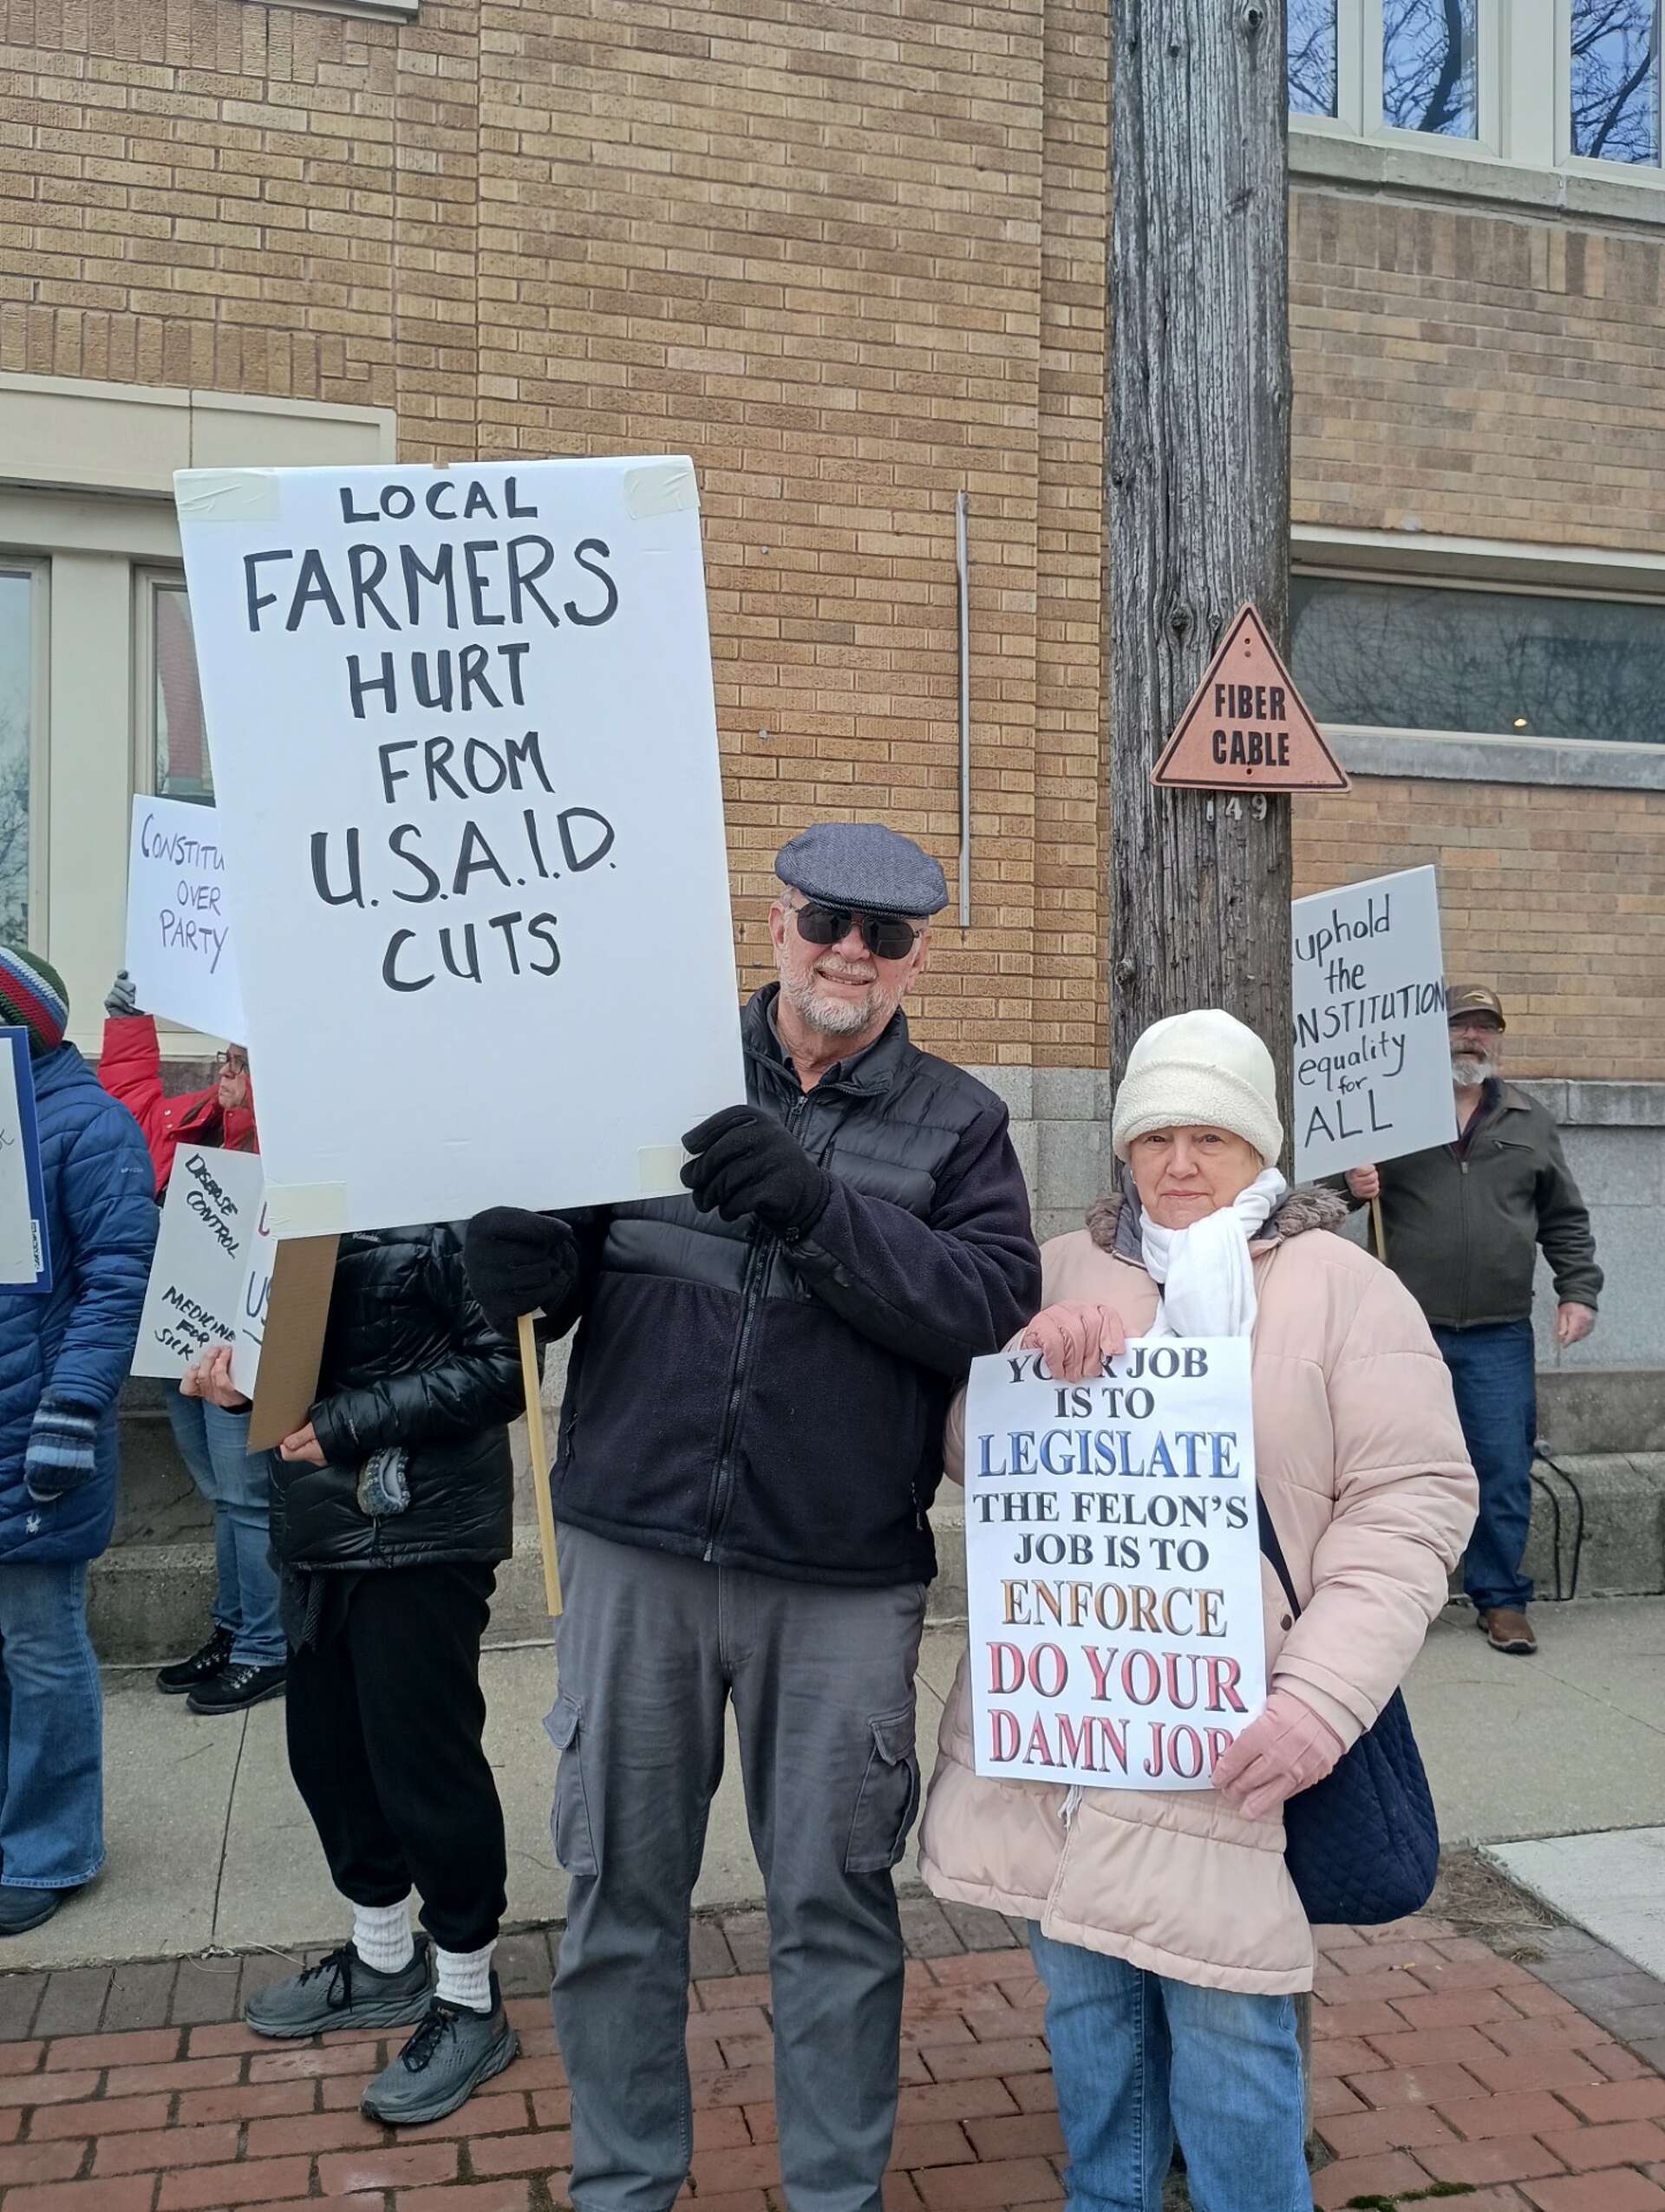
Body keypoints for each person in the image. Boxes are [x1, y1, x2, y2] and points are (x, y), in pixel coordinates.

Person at [463, 822, 1041, 2212]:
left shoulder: (961, 1121)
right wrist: (517, 1265)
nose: (852, 950)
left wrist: (821, 1209)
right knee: (615, 1893)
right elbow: (566, 1270)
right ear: (775, 922)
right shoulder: (648, 1073)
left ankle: (833, 2194)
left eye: (886, 934)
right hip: (632, 1544)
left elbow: (985, 1305)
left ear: (914, 959)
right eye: (829, 920)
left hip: (838, 1576)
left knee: (835, 1904)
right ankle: (622, 2184)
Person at [918, 1008, 1478, 2212]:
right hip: (1077, 1738)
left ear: (1260, 1146)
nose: (1179, 1161)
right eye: (1157, 1133)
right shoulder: (1063, 1268)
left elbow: (1412, 1503)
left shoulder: (1345, 1287)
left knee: (1233, 2033)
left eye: (1211, 1135)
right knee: (1089, 2013)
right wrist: (1018, 1364)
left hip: (1232, 1745)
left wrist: (1323, 1698)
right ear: (1123, 1147)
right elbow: (975, 1456)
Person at [181, 1217, 523, 2124]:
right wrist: (233, 1385)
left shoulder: (455, 1199)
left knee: (426, 1764)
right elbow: (283, 1355)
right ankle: (381, 1956)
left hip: (421, 1524)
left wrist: (343, 1424)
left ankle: (469, 1994)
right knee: (327, 1752)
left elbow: (502, 1370)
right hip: (318, 1526)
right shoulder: (292, 1202)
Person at [1344, 985, 1601, 1658]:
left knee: (1501, 1464)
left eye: (1486, 1029)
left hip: (1498, 1331)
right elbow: (1324, 1194)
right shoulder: (1392, 1116)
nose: (1473, 1039)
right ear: (1435, 1035)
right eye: (1461, 1026)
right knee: (1395, 1463)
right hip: (1406, 1329)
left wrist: (1578, 1291)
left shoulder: (1528, 1120)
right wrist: (1351, 1183)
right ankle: (1401, 1592)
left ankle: (1502, 1599)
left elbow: (1565, 1218)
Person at [0, 945, 158, 1936]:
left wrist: (72, 1409)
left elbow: (118, 1275)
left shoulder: (85, 1122)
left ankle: (51, 1847)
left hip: (35, 1439)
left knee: (40, 1645)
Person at [99, 971, 283, 1709]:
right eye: (223, 1059)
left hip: (244, 1349)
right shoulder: (191, 1118)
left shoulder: (284, 1135)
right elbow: (132, 1104)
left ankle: (266, 1646)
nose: (223, 1070)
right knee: (219, 1490)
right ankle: (236, 1628)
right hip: (182, 1340)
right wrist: (129, 1019)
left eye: (240, 1061)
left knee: (245, 1496)